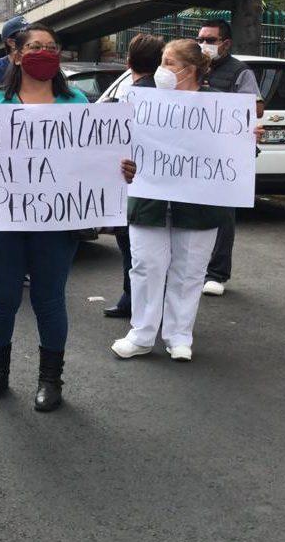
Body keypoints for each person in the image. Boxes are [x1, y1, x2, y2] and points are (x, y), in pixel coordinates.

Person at [0, 23, 136, 412]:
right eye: (36, 46)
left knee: (48, 299)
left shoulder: (77, 105)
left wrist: (119, 171)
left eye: (52, 47)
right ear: (17, 54)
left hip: (57, 223)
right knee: (2, 299)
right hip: (5, 219)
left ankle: (51, 379)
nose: (45, 52)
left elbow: (98, 162)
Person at [111, 39, 260, 363]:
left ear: (190, 70)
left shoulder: (220, 107)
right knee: (145, 266)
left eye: (169, 63)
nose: (162, 70)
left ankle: (179, 335)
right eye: (162, 62)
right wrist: (123, 163)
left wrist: (248, 139)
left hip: (198, 205)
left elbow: (236, 157)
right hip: (149, 201)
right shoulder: (143, 101)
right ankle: (141, 334)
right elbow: (121, 144)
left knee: (189, 270)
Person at [196, 20, 263, 298]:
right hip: (196, 152)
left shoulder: (240, 72)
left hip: (226, 154)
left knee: (223, 214)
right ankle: (195, 269)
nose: (204, 44)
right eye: (200, 38)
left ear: (225, 43)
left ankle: (217, 273)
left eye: (210, 40)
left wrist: (218, 101)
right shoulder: (192, 67)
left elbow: (256, 106)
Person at [103, 34, 167, 320]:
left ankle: (133, 299)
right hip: (166, 185)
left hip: (133, 185)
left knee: (133, 249)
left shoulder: (125, 99)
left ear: (128, 62)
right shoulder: (175, 97)